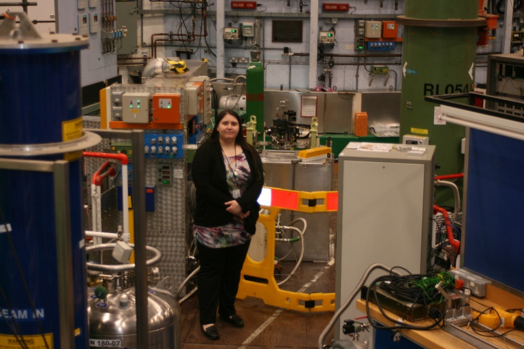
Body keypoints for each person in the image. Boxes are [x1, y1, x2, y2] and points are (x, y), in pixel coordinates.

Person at [191, 109, 264, 340]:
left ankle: (227, 311)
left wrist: (243, 205)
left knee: (233, 271)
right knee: (212, 272)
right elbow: (202, 184)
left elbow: (258, 181)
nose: (229, 127)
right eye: (225, 123)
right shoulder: (206, 151)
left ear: (239, 127)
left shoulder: (249, 151)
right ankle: (207, 319)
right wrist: (231, 206)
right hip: (213, 223)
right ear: (218, 126)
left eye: (234, 123)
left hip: (241, 224)